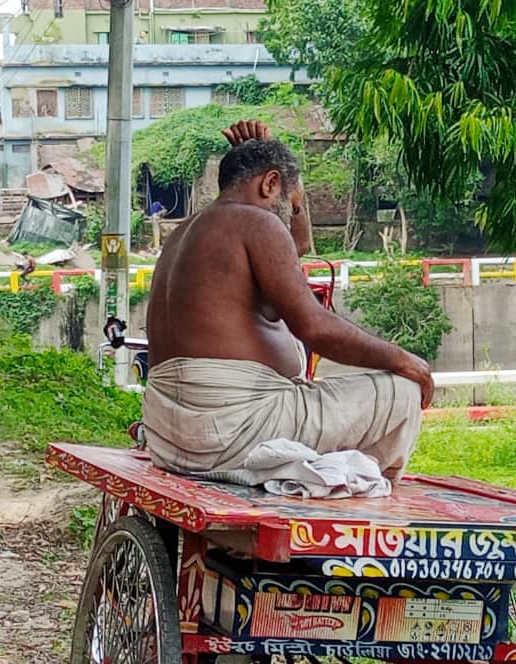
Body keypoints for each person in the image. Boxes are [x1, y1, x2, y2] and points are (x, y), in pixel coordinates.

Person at [142, 120, 433, 485]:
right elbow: (315, 328)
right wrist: (406, 360)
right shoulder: (257, 223)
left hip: (171, 434)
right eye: (290, 200)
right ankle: (352, 496)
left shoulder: (184, 232)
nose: (291, 211)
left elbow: (299, 245)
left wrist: (282, 172)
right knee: (402, 391)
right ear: (269, 184)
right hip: (235, 430)